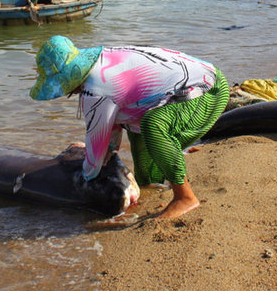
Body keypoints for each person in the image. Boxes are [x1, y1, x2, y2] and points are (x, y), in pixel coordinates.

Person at [29, 36, 229, 219]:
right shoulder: (101, 61)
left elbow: (96, 143)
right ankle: (153, 185)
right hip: (205, 82)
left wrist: (86, 175)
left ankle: (185, 197)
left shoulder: (96, 90)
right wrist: (109, 152)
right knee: (137, 128)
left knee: (153, 125)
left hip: (208, 93)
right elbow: (111, 123)